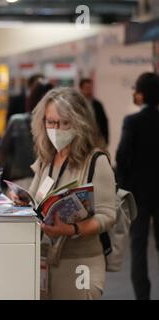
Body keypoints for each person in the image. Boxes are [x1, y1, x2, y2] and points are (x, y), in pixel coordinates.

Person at [14, 87, 116, 299]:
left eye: (64, 123)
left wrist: (70, 229)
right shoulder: (47, 158)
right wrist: (23, 200)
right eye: (51, 122)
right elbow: (34, 198)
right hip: (44, 259)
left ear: (80, 122)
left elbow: (108, 216)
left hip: (81, 261)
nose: (56, 129)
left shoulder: (97, 161)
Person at [115, 72, 159, 300]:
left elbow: (122, 156)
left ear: (141, 93)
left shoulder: (132, 122)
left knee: (139, 248)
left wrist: (124, 185)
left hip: (139, 195)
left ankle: (143, 297)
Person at [0, 80, 53, 189]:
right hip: (46, 181)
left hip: (20, 180)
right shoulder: (54, 125)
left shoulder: (17, 121)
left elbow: (1, 153)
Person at [79, 78, 109, 145]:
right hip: (81, 139)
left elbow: (104, 122)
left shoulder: (97, 104)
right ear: (81, 89)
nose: (89, 90)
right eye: (86, 88)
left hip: (95, 138)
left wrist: (106, 139)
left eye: (90, 87)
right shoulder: (76, 104)